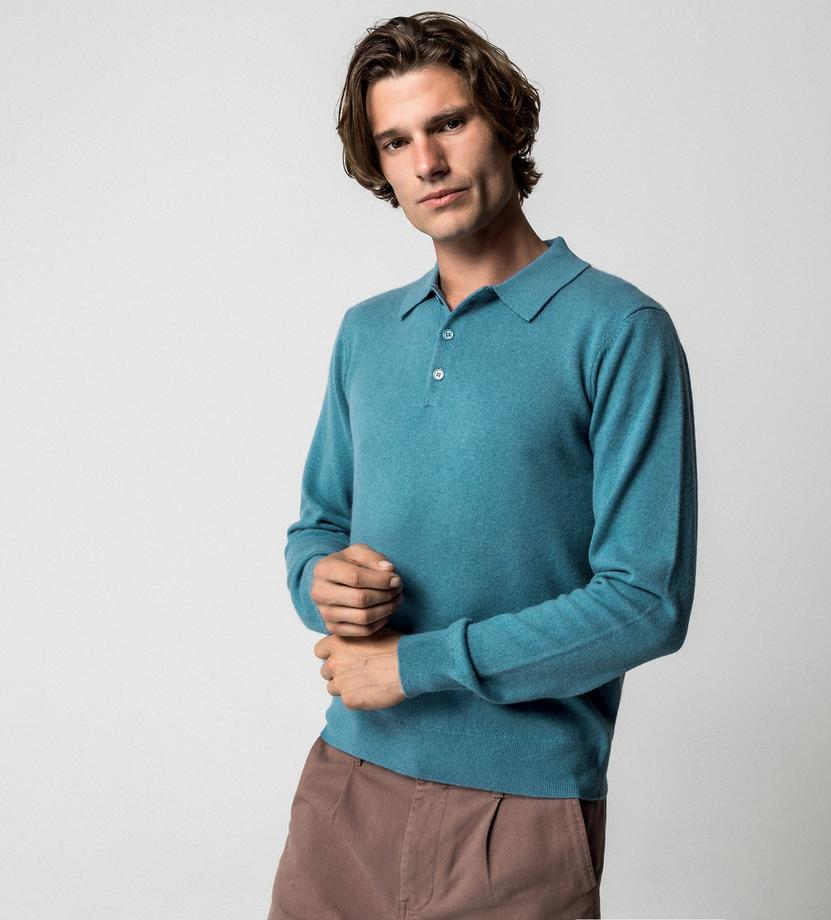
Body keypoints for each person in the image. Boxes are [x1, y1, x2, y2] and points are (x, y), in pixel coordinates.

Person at [267, 12, 698, 920]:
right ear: (379, 165)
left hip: (522, 809)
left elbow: (646, 602)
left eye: (449, 123)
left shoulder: (619, 331)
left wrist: (413, 665)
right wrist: (321, 583)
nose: (427, 161)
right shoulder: (366, 333)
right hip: (346, 785)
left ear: (503, 122)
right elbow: (317, 528)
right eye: (396, 141)